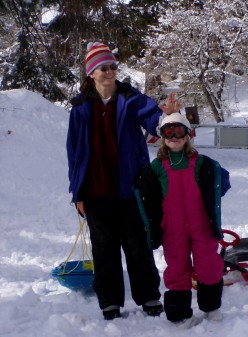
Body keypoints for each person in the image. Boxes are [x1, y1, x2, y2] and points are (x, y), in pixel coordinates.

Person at [66, 42, 181, 320]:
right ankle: (110, 302)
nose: (109, 72)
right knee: (104, 249)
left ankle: (150, 298)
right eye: (103, 68)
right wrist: (78, 193)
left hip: (131, 190)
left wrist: (168, 116)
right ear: (91, 73)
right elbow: (74, 153)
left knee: (137, 246)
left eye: (113, 67)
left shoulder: (130, 98)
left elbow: (154, 119)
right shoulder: (80, 108)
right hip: (95, 192)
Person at [135, 113, 231, 328]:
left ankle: (211, 306)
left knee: (208, 264)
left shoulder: (201, 163)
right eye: (168, 133)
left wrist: (214, 195)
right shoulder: (157, 167)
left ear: (187, 135)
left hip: (201, 224)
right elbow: (145, 193)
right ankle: (180, 314)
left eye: (179, 132)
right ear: (162, 137)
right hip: (173, 227)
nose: (174, 137)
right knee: (177, 267)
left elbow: (220, 180)